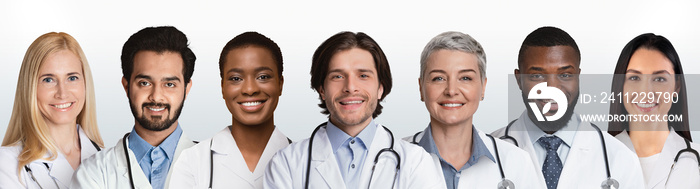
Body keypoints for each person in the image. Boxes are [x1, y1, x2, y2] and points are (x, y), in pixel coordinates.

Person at [264, 31, 444, 189]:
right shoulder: (286, 164)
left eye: (363, 75)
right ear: (321, 89)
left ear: (380, 87)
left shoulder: (416, 162)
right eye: (338, 76)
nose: (350, 87)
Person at [490, 26, 644, 189]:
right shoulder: (489, 153)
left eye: (565, 75)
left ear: (578, 77)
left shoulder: (620, 158)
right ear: (518, 79)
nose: (552, 88)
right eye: (537, 75)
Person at [405, 31, 543, 189]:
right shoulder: (394, 160)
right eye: (439, 78)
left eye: (465, 78)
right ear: (421, 88)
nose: (451, 90)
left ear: (483, 87)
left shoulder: (517, 162)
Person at [71, 26, 197, 189]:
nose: (156, 96)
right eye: (145, 83)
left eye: (169, 84)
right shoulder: (94, 173)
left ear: (186, 89)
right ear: (126, 87)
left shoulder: (216, 168)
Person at [169, 32, 290, 189]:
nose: (249, 89)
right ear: (223, 88)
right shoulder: (192, 162)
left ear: (280, 84)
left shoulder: (303, 160)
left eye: (263, 76)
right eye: (236, 79)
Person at [0, 32, 103, 189]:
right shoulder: (8, 164)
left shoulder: (107, 159)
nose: (62, 93)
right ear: (30, 88)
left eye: (72, 78)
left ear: (85, 83)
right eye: (48, 80)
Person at [607, 33, 699, 188]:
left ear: (676, 86)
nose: (646, 92)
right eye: (634, 78)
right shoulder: (596, 159)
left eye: (659, 79)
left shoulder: (695, 162)